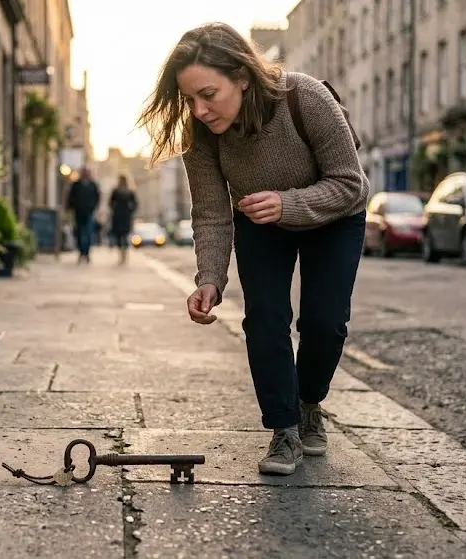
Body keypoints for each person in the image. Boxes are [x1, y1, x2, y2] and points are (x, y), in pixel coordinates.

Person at [137, 22, 369, 476]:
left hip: (332, 214)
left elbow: (351, 185)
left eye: (209, 93)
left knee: (325, 322)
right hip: (260, 221)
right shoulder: (201, 136)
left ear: (242, 76)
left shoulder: (305, 98)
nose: (200, 110)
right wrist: (209, 279)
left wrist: (289, 203)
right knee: (264, 319)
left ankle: (307, 404)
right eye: (189, 99)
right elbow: (211, 213)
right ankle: (284, 430)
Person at [65, 167, 100, 263]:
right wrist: (69, 208)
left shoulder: (93, 185)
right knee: (79, 233)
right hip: (78, 212)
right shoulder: (76, 185)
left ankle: (87, 253)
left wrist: (93, 207)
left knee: (88, 233)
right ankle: (81, 252)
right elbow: (71, 197)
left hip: (89, 212)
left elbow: (97, 198)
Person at [108, 174, 139, 264]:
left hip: (125, 216)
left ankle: (124, 254)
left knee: (124, 236)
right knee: (119, 236)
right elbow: (110, 202)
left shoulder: (129, 192)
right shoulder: (116, 191)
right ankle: (121, 254)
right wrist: (115, 209)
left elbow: (135, 203)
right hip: (118, 216)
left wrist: (130, 210)